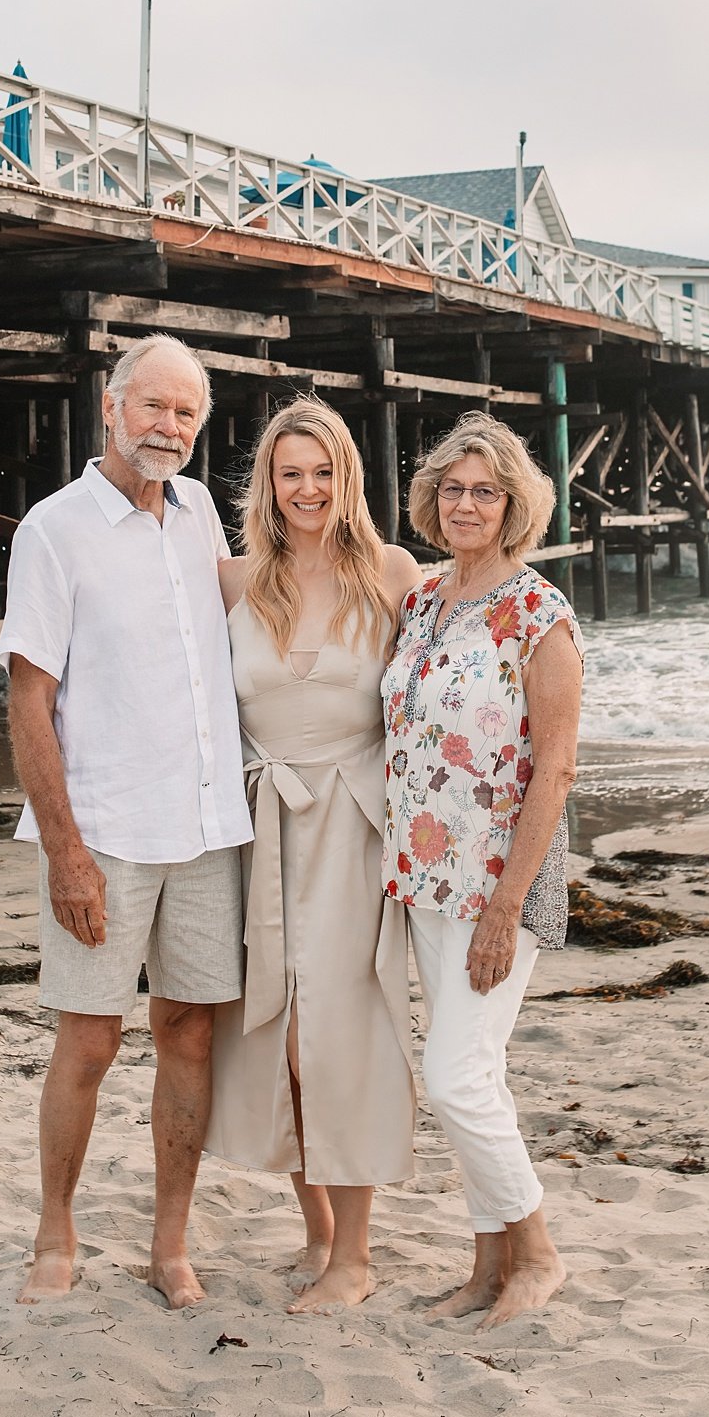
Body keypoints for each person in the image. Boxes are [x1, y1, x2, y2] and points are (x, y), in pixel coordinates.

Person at [0, 334, 252, 1310]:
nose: (170, 428)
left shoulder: (198, 516)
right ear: (111, 407)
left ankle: (169, 1244)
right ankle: (55, 1232)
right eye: (155, 407)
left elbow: (266, 603)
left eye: (187, 413)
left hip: (205, 823)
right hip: (101, 827)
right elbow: (28, 704)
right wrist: (64, 853)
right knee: (90, 1041)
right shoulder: (55, 530)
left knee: (187, 1030)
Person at [207, 400, 420, 1312]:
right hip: (262, 830)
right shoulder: (233, 579)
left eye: (323, 472)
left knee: (337, 1034)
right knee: (281, 1040)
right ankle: (318, 1232)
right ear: (267, 483)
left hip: (355, 828)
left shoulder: (393, 573)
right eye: (290, 473)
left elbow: (445, 690)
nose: (307, 490)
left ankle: (357, 1258)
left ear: (348, 480)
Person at [381, 413, 583, 1328]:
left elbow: (558, 768)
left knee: (456, 1075)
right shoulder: (424, 598)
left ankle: (536, 1254)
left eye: (486, 491)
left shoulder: (540, 613)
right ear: (433, 500)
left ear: (515, 506)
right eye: (453, 489)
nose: (467, 504)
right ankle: (486, 1265)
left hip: (499, 883)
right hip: (425, 879)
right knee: (479, 1074)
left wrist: (508, 907)